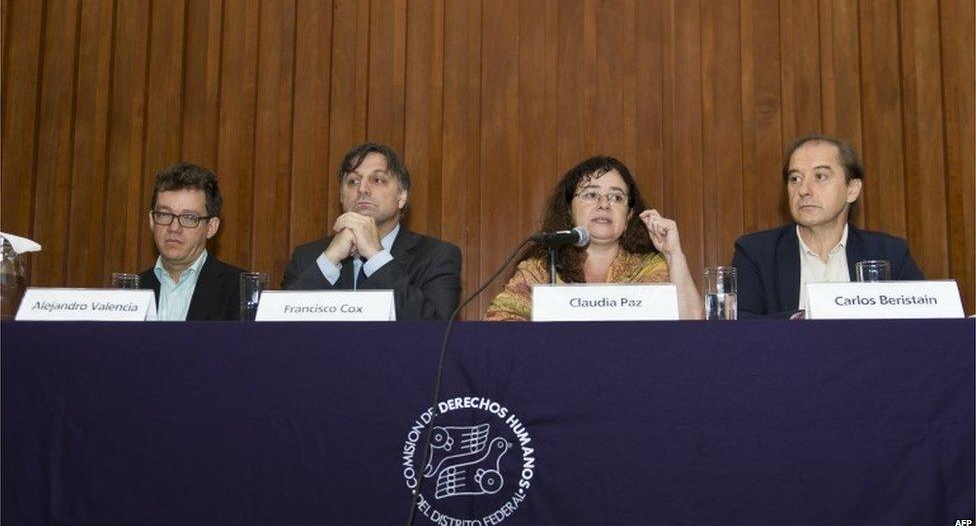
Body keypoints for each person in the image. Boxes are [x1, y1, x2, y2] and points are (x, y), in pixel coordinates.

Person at [485, 155, 702, 321]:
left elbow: (692, 326)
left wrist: (674, 254)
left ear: (628, 217)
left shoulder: (652, 268)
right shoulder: (541, 270)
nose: (604, 204)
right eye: (591, 195)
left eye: (616, 197)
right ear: (568, 210)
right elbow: (498, 324)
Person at [732, 134, 924, 318]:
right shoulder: (756, 253)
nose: (804, 190)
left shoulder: (889, 253)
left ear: (852, 189)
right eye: (795, 179)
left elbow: (927, 322)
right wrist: (803, 319)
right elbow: (739, 325)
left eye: (820, 176)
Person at [282, 142, 461, 320]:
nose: (362, 189)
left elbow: (436, 333)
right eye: (353, 181)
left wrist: (377, 256)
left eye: (377, 180)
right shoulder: (307, 258)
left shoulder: (437, 257)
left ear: (402, 196)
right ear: (342, 197)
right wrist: (329, 261)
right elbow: (277, 330)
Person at [139, 163, 244, 320]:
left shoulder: (240, 290)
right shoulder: (132, 290)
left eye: (189, 217)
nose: (174, 227)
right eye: (165, 214)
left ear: (211, 227)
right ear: (152, 221)